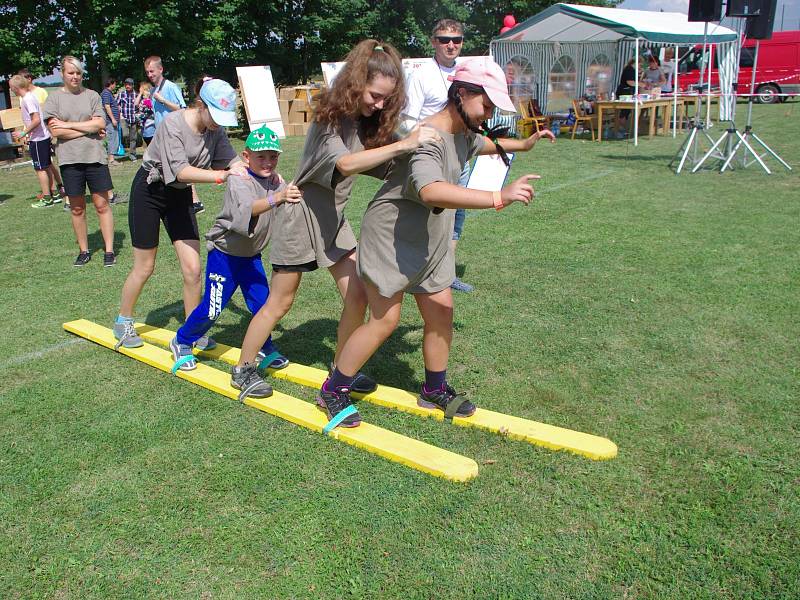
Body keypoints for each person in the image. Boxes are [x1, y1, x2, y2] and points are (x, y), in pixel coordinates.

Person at [317, 60, 554, 429]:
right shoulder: (428, 139)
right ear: (461, 94)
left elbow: (481, 144)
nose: (488, 114)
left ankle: (434, 389)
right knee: (384, 320)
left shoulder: (464, 129)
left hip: (429, 238)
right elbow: (431, 190)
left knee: (441, 310)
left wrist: (522, 144)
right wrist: (498, 196)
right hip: (391, 236)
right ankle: (333, 388)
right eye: (486, 106)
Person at [232, 39, 440, 399]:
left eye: (386, 100)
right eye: (374, 95)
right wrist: (404, 145)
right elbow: (345, 164)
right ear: (356, 84)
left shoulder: (363, 122)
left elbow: (377, 163)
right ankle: (243, 368)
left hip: (333, 218)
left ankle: (341, 367)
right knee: (281, 301)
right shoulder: (330, 118)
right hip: (300, 214)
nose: (379, 105)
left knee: (358, 293)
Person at [113, 78, 246, 350]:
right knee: (145, 266)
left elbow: (232, 161)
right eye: (215, 115)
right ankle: (123, 321)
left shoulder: (216, 130)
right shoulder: (173, 124)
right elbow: (181, 171)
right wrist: (222, 176)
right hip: (150, 190)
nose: (219, 123)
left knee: (194, 269)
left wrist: (254, 171)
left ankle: (191, 331)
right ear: (201, 105)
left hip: (180, 194)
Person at [170, 126, 301, 394]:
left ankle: (265, 347)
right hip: (225, 256)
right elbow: (247, 209)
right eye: (260, 157)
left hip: (251, 256)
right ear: (246, 156)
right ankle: (182, 340)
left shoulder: (277, 180)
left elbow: (287, 198)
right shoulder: (239, 179)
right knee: (213, 307)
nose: (267, 163)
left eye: (273, 157)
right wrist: (278, 197)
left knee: (264, 306)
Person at [403, 19, 475, 293]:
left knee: (457, 215)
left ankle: (447, 272)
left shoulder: (466, 73)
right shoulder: (421, 75)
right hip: (433, 157)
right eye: (445, 39)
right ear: (433, 42)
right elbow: (407, 121)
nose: (451, 44)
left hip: (461, 156)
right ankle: (418, 271)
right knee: (430, 216)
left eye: (456, 39)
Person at [42, 56, 116, 267]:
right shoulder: (54, 99)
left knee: (102, 204)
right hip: (69, 160)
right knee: (77, 208)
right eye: (70, 73)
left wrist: (68, 126)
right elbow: (55, 131)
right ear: (63, 74)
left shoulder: (92, 95)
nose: (75, 77)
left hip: (94, 158)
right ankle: (84, 251)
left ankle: (109, 250)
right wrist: (87, 127)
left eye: (78, 73)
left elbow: (100, 123)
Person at [144, 56, 204, 214]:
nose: (150, 75)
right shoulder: (153, 90)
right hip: (161, 136)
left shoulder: (170, 87)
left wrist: (163, 100)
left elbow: (182, 109)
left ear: (160, 69)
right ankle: (176, 202)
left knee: (182, 168)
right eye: (147, 72)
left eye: (152, 71)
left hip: (176, 135)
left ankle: (195, 201)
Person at [9, 74, 63, 208]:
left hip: (38, 139)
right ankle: (54, 194)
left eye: (11, 87)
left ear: (16, 87)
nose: (11, 90)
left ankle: (47, 198)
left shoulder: (27, 99)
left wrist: (23, 133)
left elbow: (36, 120)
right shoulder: (28, 98)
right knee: (46, 166)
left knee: (40, 169)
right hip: (40, 138)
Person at [117, 77, 141, 160]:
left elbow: (140, 106)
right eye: (126, 84)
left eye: (129, 84)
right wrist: (119, 113)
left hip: (133, 119)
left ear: (132, 85)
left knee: (133, 138)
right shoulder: (121, 94)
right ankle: (122, 149)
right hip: (124, 118)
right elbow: (117, 104)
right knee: (125, 135)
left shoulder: (136, 94)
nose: (127, 86)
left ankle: (132, 155)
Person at [101, 77, 121, 166]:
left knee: (114, 139)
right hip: (110, 121)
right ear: (111, 84)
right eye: (115, 84)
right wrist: (113, 119)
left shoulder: (109, 93)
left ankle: (112, 158)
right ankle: (111, 160)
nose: (115, 86)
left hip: (113, 121)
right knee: (112, 139)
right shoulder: (106, 93)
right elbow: (107, 106)